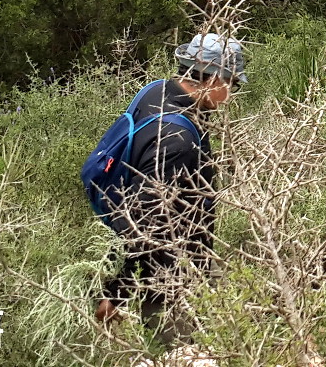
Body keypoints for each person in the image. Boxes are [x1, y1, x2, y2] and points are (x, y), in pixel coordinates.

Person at [96, 33, 246, 336]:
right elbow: (148, 224)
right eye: (233, 83)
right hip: (171, 279)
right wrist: (117, 294)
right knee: (183, 349)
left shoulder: (157, 92)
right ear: (214, 80)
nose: (232, 94)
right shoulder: (178, 141)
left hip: (178, 265)